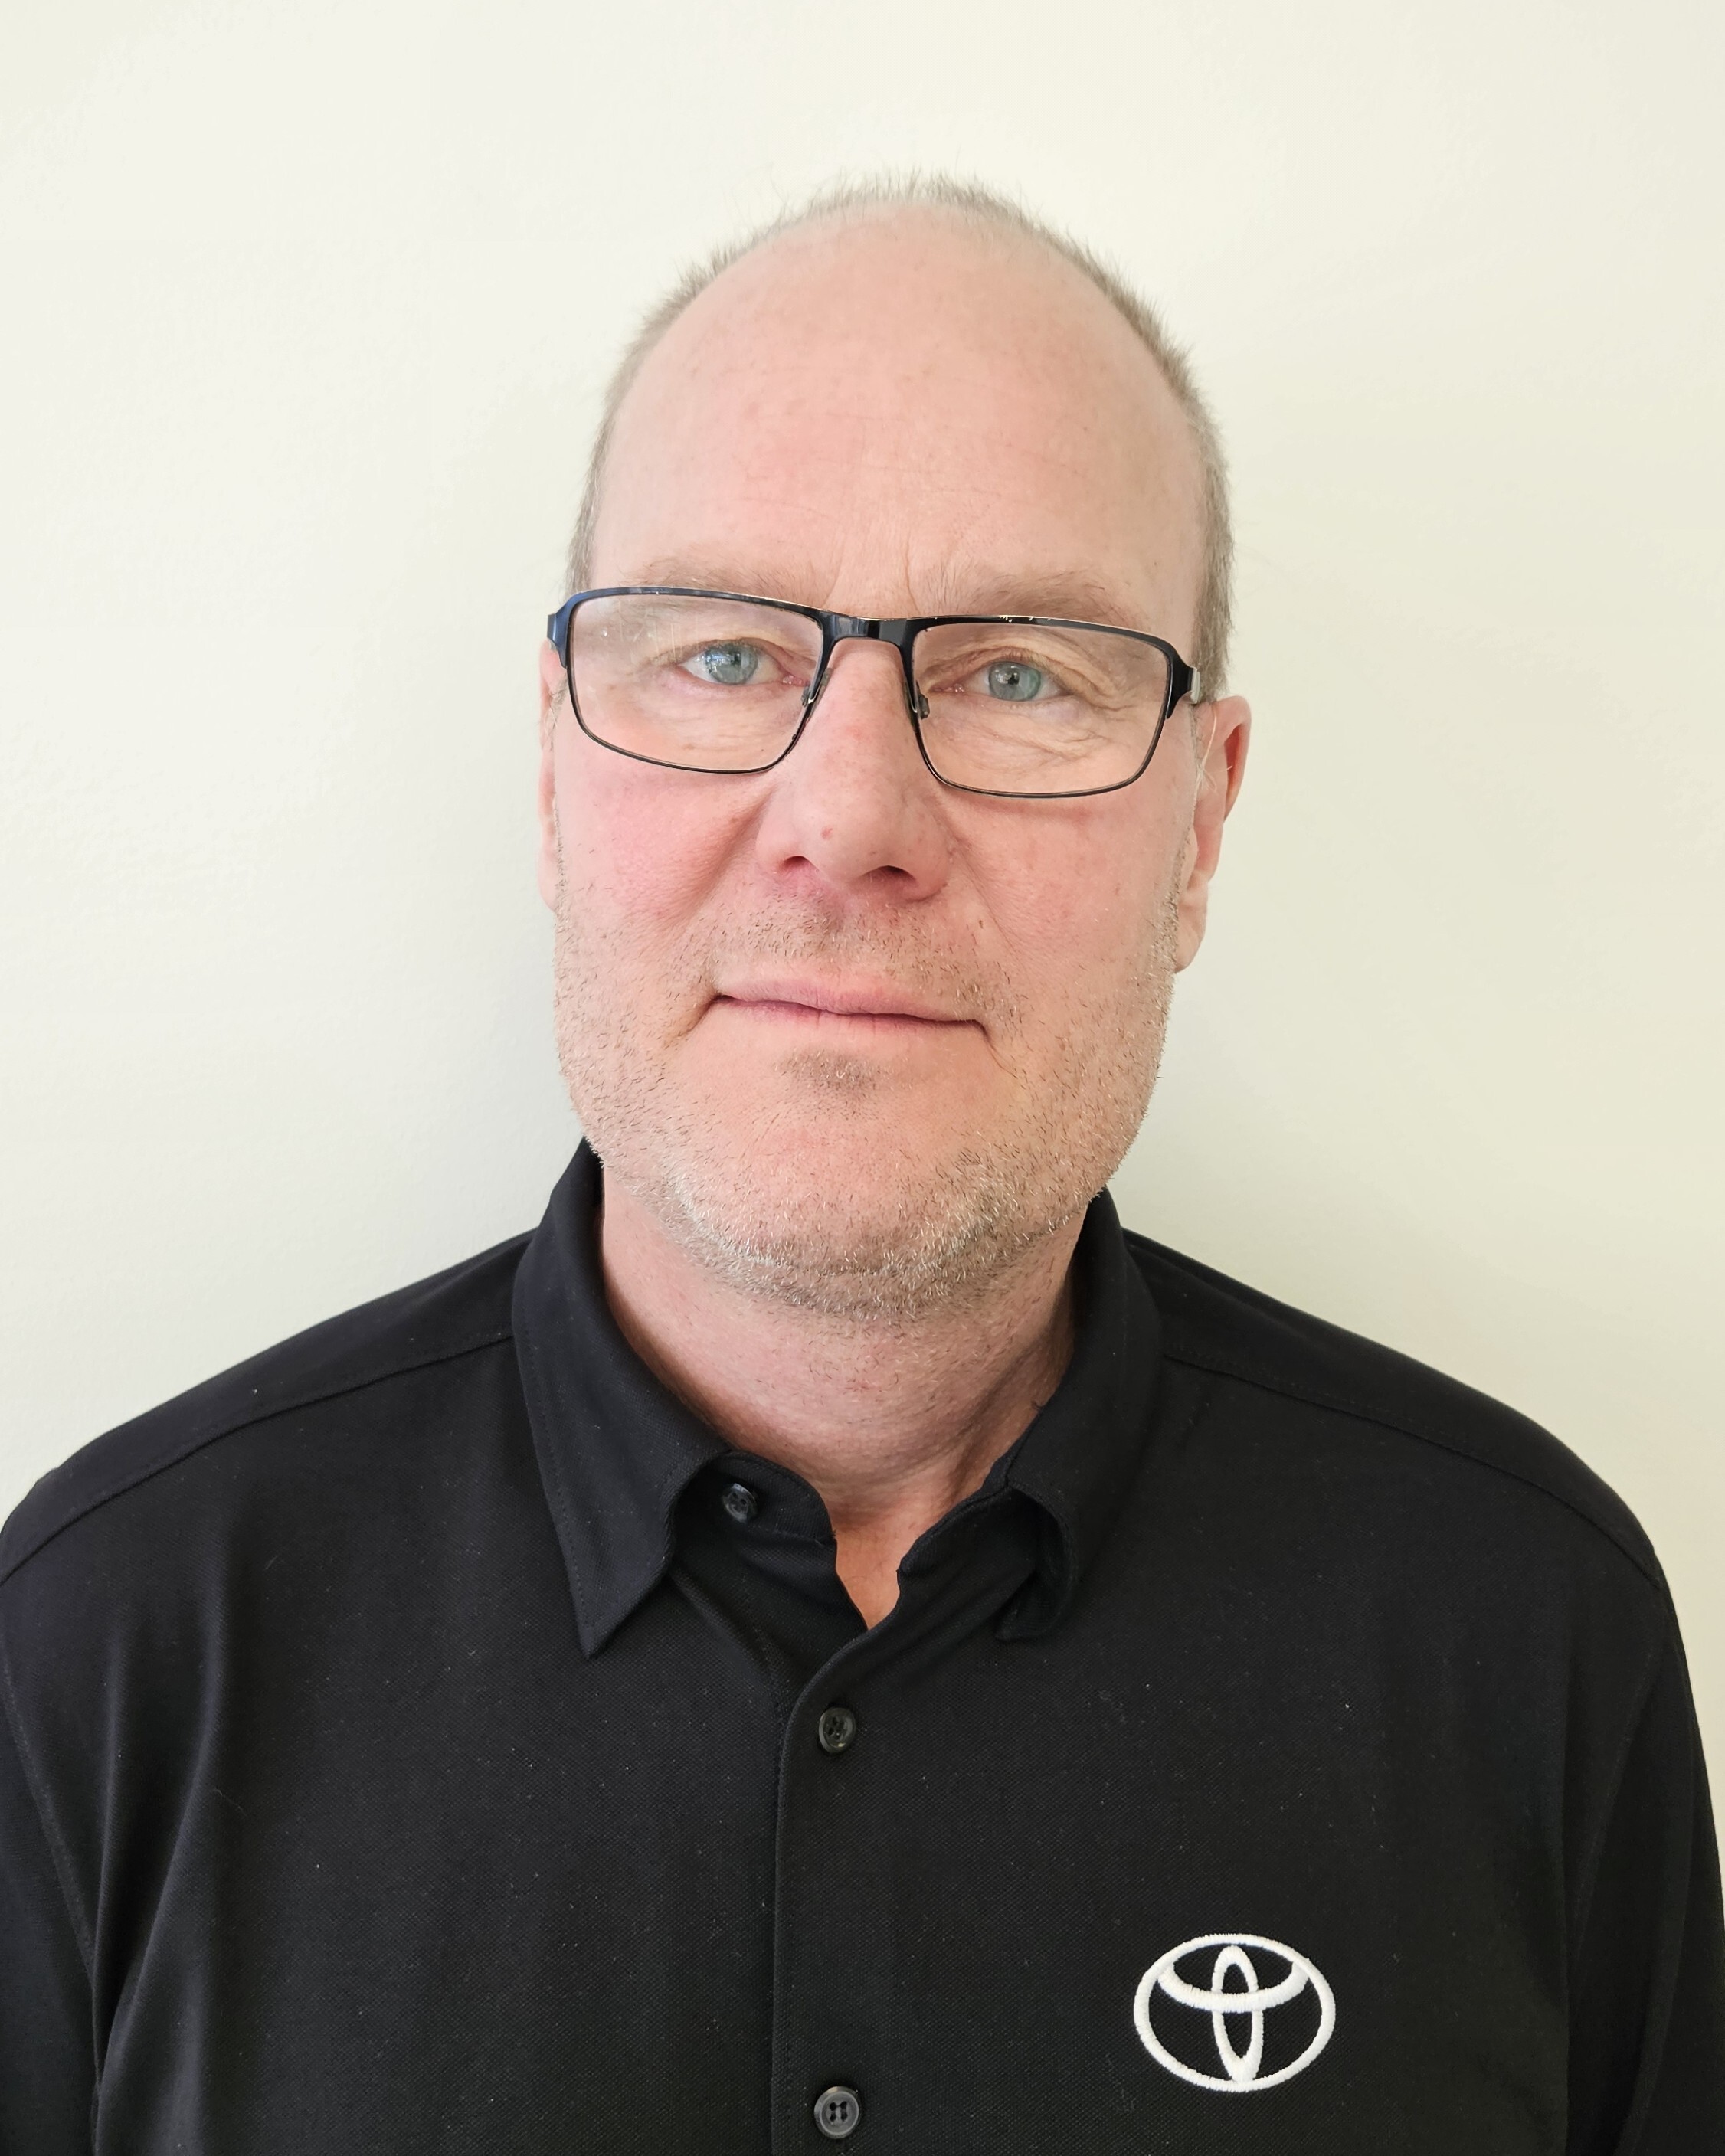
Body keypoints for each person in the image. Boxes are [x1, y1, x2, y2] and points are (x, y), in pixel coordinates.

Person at [1, 177, 1718, 2154]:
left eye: (1019, 674)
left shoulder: (1523, 1631)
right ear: (556, 771)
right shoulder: (112, 1650)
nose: (847, 817)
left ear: (1199, 825)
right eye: (724, 658)